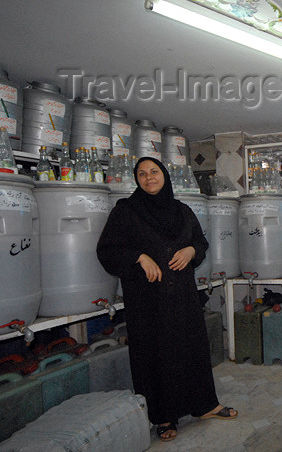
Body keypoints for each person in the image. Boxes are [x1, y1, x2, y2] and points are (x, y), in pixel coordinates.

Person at [97, 157, 237, 442]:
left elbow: (201, 243)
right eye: (142, 173)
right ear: (136, 179)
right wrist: (138, 256)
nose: (149, 177)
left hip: (182, 297)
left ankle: (205, 405)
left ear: (165, 175)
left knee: (191, 349)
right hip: (147, 300)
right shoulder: (125, 211)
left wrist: (190, 252)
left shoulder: (182, 211)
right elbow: (107, 251)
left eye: (154, 172)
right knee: (154, 355)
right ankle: (163, 417)